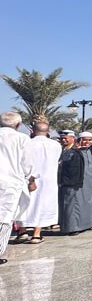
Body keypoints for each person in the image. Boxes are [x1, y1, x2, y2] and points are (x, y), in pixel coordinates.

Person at [0, 112, 36, 261]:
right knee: (5, 217)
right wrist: (31, 179)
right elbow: (27, 163)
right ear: (18, 125)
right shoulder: (22, 138)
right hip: (10, 183)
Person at [19, 119, 61, 244]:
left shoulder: (28, 143)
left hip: (29, 178)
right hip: (48, 180)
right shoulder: (56, 145)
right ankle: (36, 234)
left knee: (25, 203)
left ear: (32, 131)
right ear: (48, 131)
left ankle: (22, 231)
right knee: (43, 204)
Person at [58, 129, 92, 234]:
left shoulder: (91, 151)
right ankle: (72, 227)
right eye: (85, 140)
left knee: (87, 203)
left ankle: (87, 224)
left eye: (90, 140)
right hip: (74, 183)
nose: (87, 142)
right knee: (73, 205)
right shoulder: (69, 151)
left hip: (88, 183)